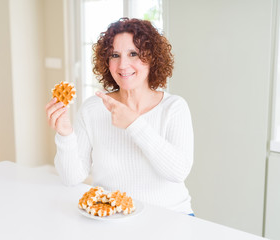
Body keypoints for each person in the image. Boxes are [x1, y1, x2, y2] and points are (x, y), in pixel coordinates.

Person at [45, 17, 194, 215]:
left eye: (133, 54)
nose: (123, 65)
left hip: (172, 216)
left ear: (153, 59)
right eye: (115, 55)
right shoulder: (92, 109)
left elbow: (178, 172)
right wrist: (65, 134)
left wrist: (134, 124)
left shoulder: (174, 107)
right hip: (113, 217)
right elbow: (71, 178)